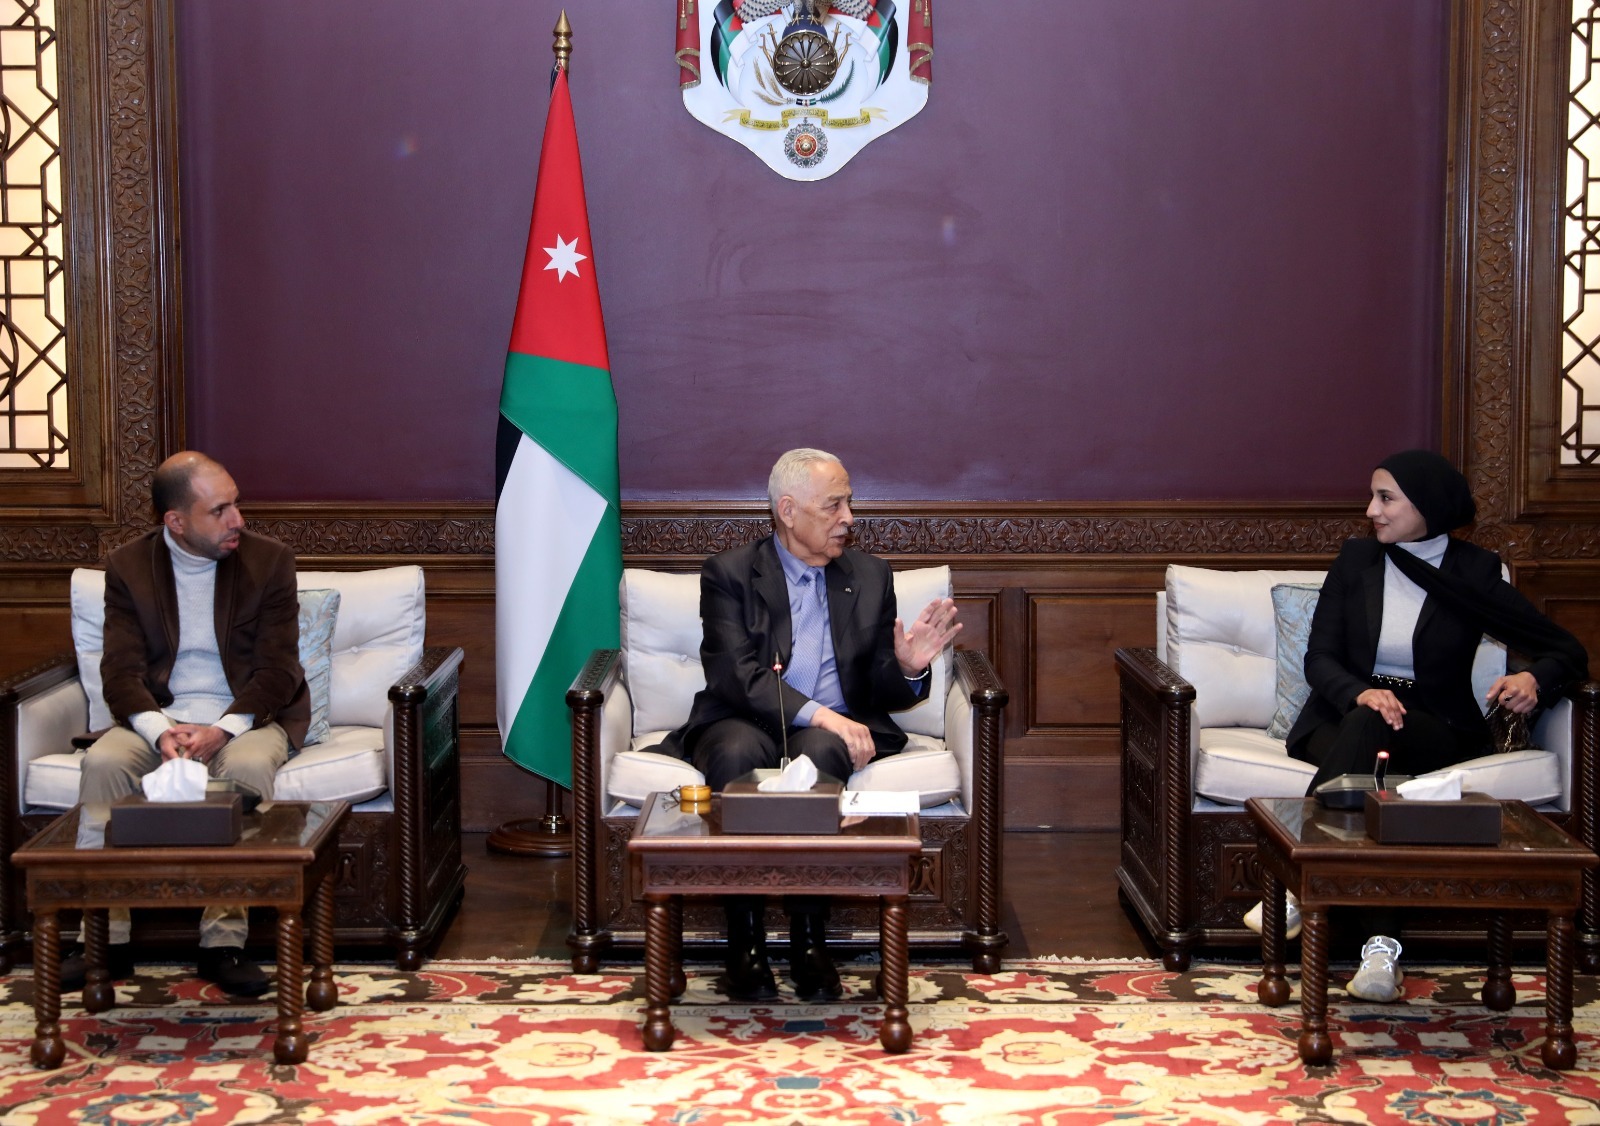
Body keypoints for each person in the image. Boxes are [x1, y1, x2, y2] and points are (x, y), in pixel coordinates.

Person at [1247, 449, 1588, 1002]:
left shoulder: (1474, 571)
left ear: (1426, 505)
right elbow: (1320, 658)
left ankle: (1297, 884)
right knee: (1374, 751)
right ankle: (1380, 952)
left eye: (1386, 498)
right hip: (1344, 715)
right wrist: (1361, 693)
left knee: (1375, 762)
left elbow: (1566, 651)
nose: (1371, 510)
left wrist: (1533, 679)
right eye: (1373, 497)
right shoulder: (1357, 560)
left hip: (1432, 723)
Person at [658, 448, 960, 1002]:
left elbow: (878, 687)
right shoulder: (730, 573)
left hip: (828, 728)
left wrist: (910, 667)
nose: (849, 517)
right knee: (734, 753)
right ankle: (744, 944)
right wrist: (824, 714)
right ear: (788, 511)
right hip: (741, 717)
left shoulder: (869, 575)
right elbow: (734, 675)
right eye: (834, 505)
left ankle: (809, 941)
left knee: (820, 752)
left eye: (849, 503)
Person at [63, 451, 310, 997]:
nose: (237, 520)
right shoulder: (128, 567)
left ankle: (224, 942)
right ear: (175, 520)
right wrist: (159, 731)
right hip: (160, 716)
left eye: (236, 504)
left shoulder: (270, 561)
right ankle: (104, 939)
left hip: (245, 718)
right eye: (219, 510)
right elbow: (120, 671)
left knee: (246, 769)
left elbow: (278, 669)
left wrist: (223, 728)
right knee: (103, 763)